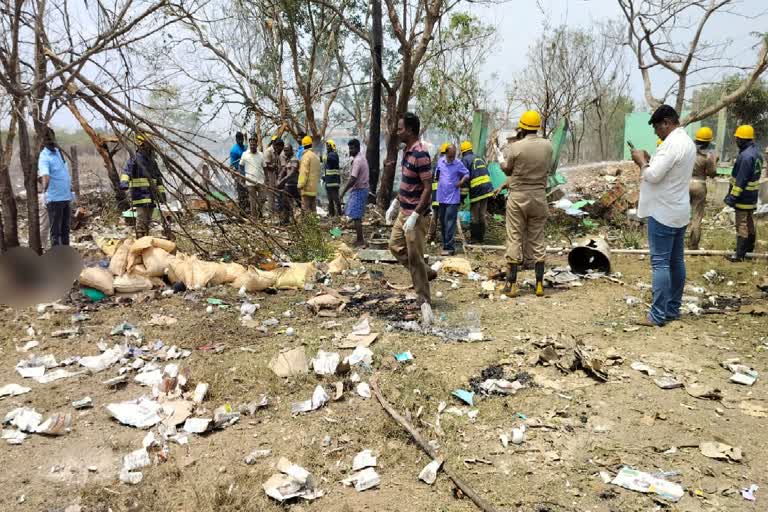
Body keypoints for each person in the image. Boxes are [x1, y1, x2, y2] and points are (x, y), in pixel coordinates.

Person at [630, 104, 696, 327]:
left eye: (657, 128)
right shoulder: (686, 142)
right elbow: (665, 170)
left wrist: (641, 161)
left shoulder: (671, 145)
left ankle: (657, 315)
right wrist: (650, 159)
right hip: (679, 210)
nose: (656, 133)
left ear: (667, 123)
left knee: (660, 263)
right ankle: (672, 309)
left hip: (663, 211)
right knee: (676, 261)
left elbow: (654, 175)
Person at [500, 111, 552, 298]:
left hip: (518, 197)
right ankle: (539, 284)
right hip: (539, 197)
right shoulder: (548, 146)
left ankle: (513, 286)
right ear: (537, 127)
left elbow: (508, 169)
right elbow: (549, 168)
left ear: (521, 127)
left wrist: (501, 162)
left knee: (514, 237)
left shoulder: (516, 147)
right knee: (537, 239)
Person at [388, 112, 437, 306]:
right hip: (403, 212)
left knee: (415, 258)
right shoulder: (406, 152)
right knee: (394, 246)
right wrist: (396, 202)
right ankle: (427, 271)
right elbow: (408, 184)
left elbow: (427, 188)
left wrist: (415, 215)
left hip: (416, 216)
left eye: (400, 129)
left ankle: (424, 298)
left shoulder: (420, 154)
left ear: (410, 130)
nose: (398, 132)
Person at [725, 124, 763, 261]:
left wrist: (732, 197)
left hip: (743, 197)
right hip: (752, 196)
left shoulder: (746, 156)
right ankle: (749, 250)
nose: (736, 141)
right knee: (750, 222)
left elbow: (741, 180)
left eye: (738, 138)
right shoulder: (757, 153)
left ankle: (739, 255)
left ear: (743, 140)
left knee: (741, 223)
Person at [120, 133, 167, 238]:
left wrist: (162, 194)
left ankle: (145, 243)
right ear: (142, 144)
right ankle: (140, 244)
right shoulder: (135, 158)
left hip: (151, 197)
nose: (151, 146)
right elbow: (127, 172)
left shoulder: (152, 162)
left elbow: (158, 179)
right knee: (141, 220)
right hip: (140, 195)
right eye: (148, 143)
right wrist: (124, 183)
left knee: (147, 221)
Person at [37, 127, 73, 247]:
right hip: (54, 199)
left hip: (65, 197)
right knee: (56, 233)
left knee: (64, 231)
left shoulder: (58, 152)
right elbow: (45, 177)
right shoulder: (44, 156)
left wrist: (70, 190)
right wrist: (44, 193)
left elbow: (64, 172)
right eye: (49, 139)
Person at [436, 144, 469, 256]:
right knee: (443, 222)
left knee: (450, 222)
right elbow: (437, 173)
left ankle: (450, 248)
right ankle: (445, 244)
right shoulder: (440, 161)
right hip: (441, 197)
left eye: (453, 156)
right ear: (446, 154)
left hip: (453, 198)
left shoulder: (458, 163)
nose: (451, 158)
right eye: (450, 156)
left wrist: (460, 182)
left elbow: (467, 174)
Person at [688, 127, 717, 250]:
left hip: (684, 184)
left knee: (680, 214)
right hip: (699, 185)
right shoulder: (708, 156)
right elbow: (712, 173)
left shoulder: (687, 151)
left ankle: (676, 242)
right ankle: (693, 245)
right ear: (708, 142)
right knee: (697, 216)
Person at [460, 140, 494, 244]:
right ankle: (481, 238)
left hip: (477, 189)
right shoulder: (478, 157)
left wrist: (462, 197)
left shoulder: (464, 160)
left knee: (474, 215)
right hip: (487, 188)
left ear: (462, 152)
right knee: (482, 214)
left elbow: (465, 180)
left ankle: (475, 239)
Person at [340, 138, 369, 247]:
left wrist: (342, 192)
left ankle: (360, 240)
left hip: (359, 190)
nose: (350, 150)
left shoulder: (357, 161)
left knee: (356, 216)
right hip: (361, 189)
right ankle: (358, 237)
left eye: (352, 148)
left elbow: (353, 179)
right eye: (349, 148)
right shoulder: (361, 158)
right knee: (353, 214)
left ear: (357, 148)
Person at [240, 134, 265, 219]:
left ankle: (260, 214)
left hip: (260, 181)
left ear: (257, 144)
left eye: (254, 144)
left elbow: (264, 167)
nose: (252, 146)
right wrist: (242, 177)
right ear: (249, 144)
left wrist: (267, 180)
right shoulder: (245, 154)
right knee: (252, 201)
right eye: (251, 144)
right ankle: (254, 219)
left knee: (262, 199)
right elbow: (240, 166)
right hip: (250, 181)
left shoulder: (261, 154)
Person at [428, 142, 448, 242]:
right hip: (443, 196)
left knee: (434, 216)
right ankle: (445, 238)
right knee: (444, 217)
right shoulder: (448, 163)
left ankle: (431, 236)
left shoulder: (437, 164)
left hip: (435, 195)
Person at [278, 144, 301, 223]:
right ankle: (286, 220)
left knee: (300, 203)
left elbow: (292, 173)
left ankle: (306, 220)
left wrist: (282, 181)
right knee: (285, 203)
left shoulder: (294, 159)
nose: (285, 152)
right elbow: (284, 170)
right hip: (288, 185)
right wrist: (279, 178)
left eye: (287, 150)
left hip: (295, 185)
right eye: (284, 150)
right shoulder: (288, 159)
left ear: (291, 150)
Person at [298, 135, 321, 213]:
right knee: (313, 208)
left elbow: (304, 172)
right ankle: (314, 223)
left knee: (306, 209)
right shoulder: (316, 157)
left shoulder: (305, 156)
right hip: (314, 188)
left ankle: (307, 224)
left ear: (303, 145)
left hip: (306, 188)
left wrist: (300, 185)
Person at [263, 137, 284, 215]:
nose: (280, 150)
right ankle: (271, 212)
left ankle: (274, 211)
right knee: (270, 194)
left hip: (274, 175)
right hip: (269, 175)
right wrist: (273, 166)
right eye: (280, 148)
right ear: (275, 145)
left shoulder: (276, 151)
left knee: (275, 193)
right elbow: (265, 165)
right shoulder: (268, 151)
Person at [229, 132, 248, 211]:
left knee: (247, 191)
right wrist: (234, 175)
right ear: (236, 140)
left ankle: (247, 208)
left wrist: (246, 137)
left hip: (246, 174)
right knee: (240, 192)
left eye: (242, 139)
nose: (240, 141)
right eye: (239, 139)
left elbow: (247, 146)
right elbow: (232, 164)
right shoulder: (234, 150)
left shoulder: (244, 147)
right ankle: (242, 210)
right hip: (239, 174)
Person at [323, 140, 342, 216]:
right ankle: (332, 214)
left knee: (335, 199)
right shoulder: (329, 154)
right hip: (329, 181)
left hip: (333, 181)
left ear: (332, 146)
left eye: (328, 146)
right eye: (326, 146)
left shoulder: (333, 154)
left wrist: (324, 157)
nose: (327, 148)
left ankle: (339, 214)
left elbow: (331, 160)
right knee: (330, 199)